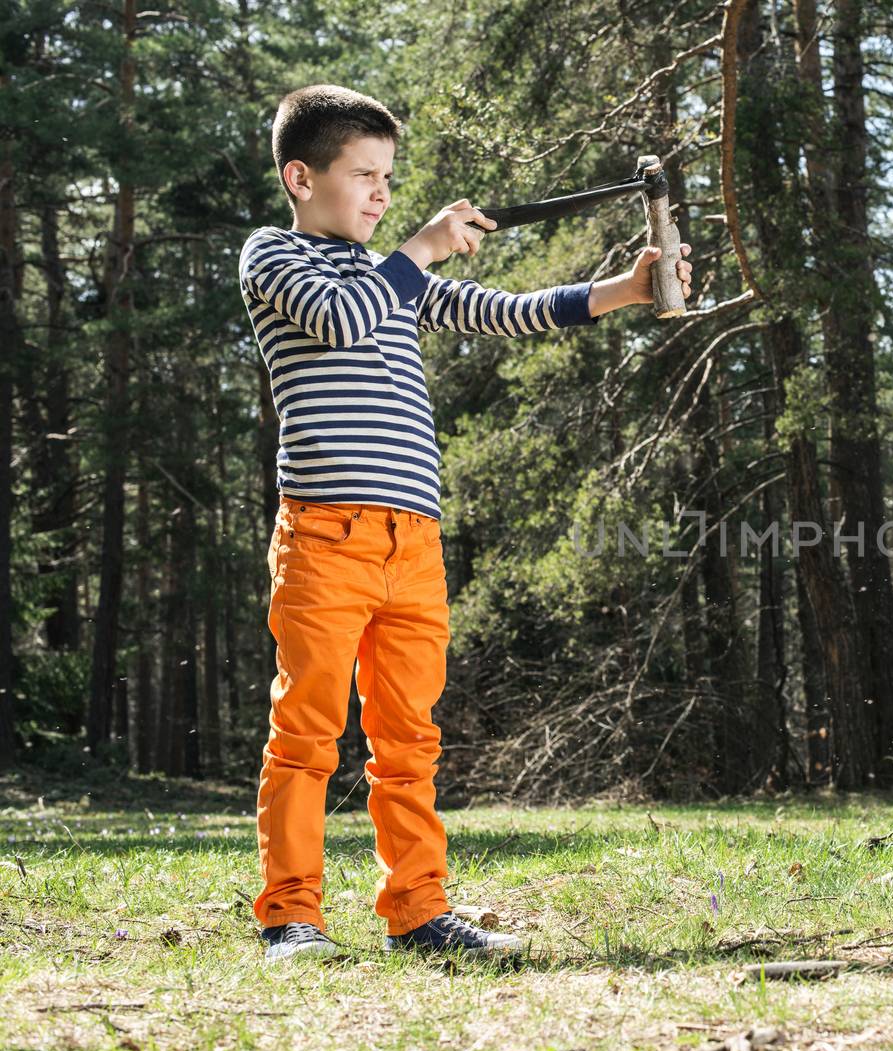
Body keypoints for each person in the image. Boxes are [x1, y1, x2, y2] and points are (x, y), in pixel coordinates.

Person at [238, 84, 692, 961]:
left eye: (388, 178)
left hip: (414, 543)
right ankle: (291, 917)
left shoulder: (397, 279)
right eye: (362, 175)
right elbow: (341, 321)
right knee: (308, 734)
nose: (379, 193)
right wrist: (416, 249)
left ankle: (418, 911)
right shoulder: (277, 260)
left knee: (409, 739)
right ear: (300, 178)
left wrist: (626, 290)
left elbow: (502, 311)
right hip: (324, 537)